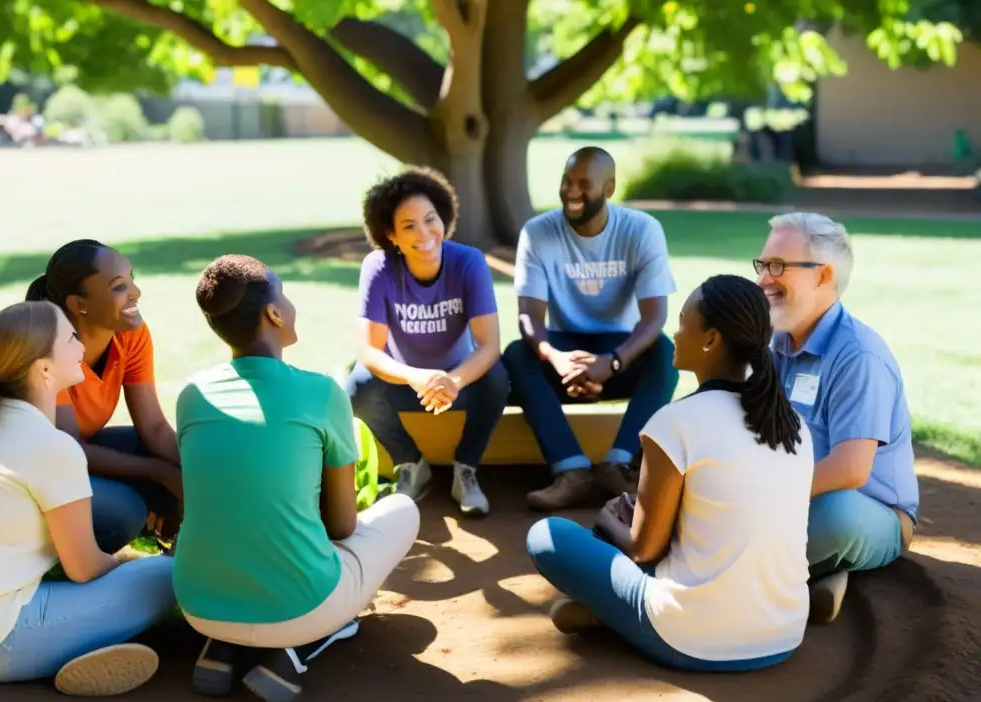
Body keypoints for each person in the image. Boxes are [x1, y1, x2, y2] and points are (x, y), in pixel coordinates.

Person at [526, 275, 814, 671]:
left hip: (693, 639)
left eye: (682, 322)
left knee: (547, 537)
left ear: (710, 340)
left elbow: (643, 549)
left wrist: (613, 523)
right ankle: (603, 613)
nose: (674, 334)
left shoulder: (675, 422)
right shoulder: (795, 424)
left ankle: (608, 615)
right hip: (783, 634)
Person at [173, 254, 421, 702]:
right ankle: (294, 649)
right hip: (297, 607)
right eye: (283, 293)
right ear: (273, 314)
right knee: (403, 510)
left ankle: (227, 646)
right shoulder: (322, 391)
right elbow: (343, 527)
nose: (289, 302)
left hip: (198, 604)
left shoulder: (192, 395)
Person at [0, 301, 176, 694]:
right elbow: (85, 569)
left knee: (127, 574)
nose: (82, 348)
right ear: (43, 368)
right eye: (72, 338)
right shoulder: (50, 445)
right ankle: (65, 651)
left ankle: (72, 640)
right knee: (169, 574)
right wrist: (127, 565)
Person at [756, 212, 919, 623]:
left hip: (867, 509)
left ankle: (676, 584)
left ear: (823, 275)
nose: (763, 280)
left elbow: (850, 470)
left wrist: (761, 500)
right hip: (795, 495)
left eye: (778, 267)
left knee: (834, 517)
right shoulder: (772, 343)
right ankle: (817, 576)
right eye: (761, 265)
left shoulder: (859, 355)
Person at [503, 147, 679, 510]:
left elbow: (654, 317)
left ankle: (618, 464)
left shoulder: (642, 230)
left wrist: (612, 362)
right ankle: (572, 472)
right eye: (567, 181)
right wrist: (557, 359)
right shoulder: (538, 233)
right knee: (518, 354)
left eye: (584, 184)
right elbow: (528, 316)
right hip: (563, 353)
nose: (571, 191)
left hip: (620, 352)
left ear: (609, 189)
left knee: (665, 351)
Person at [346, 167, 508, 516]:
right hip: (404, 381)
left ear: (443, 218)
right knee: (358, 384)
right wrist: (415, 376)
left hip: (458, 381)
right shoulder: (378, 267)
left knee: (497, 376)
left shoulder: (468, 262)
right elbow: (369, 351)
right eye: (409, 226)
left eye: (430, 219)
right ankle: (411, 465)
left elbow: (489, 344)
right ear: (391, 236)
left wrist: (454, 380)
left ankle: (466, 470)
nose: (424, 233)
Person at [25, 239, 182, 553]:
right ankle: (60, 551)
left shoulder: (131, 335)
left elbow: (153, 429)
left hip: (76, 452)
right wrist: (159, 472)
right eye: (119, 286)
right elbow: (68, 450)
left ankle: (175, 533)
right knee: (120, 515)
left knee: (181, 461)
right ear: (78, 304)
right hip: (33, 470)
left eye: (132, 279)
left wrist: (206, 471)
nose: (136, 292)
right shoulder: (46, 347)